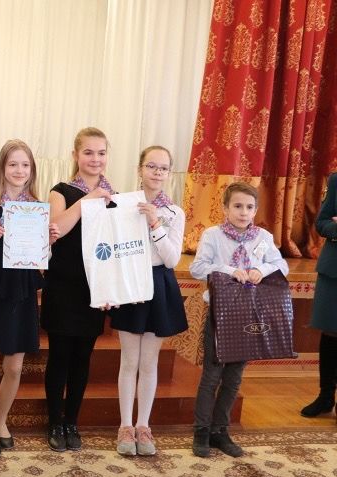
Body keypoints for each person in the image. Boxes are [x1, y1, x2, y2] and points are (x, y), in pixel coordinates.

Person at [0, 139, 59, 456]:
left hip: (22, 288)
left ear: (32, 170)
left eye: (25, 165)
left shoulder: (37, 208)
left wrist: (49, 242)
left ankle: (1, 419)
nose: (19, 170)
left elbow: (42, 258)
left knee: (15, 367)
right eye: (13, 164)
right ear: (2, 168)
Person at [190, 182, 289, 457]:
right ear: (225, 208)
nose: (243, 212)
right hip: (220, 313)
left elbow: (281, 265)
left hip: (248, 314)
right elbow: (197, 268)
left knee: (234, 377)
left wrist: (261, 269)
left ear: (255, 210)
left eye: (249, 207)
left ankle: (220, 431)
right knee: (212, 375)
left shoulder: (263, 237)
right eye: (237, 206)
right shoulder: (213, 235)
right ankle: (201, 431)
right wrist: (229, 269)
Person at [108, 146, 188, 456]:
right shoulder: (122, 205)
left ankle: (144, 425)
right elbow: (112, 250)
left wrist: (155, 223)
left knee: (149, 361)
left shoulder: (174, 213)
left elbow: (171, 259)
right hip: (131, 283)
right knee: (129, 360)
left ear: (169, 173)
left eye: (163, 168)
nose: (157, 172)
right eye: (151, 166)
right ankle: (125, 426)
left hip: (158, 284)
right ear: (140, 169)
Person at [41, 127, 114, 452]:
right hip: (62, 286)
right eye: (88, 152)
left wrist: (111, 288)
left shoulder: (114, 197)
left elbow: (115, 250)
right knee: (59, 356)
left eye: (101, 153)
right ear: (75, 155)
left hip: (93, 290)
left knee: (83, 358)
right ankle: (54, 421)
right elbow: (55, 230)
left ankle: (72, 421)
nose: (95, 159)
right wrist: (87, 200)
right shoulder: (61, 191)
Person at [300, 172, 337, 420]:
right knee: (331, 332)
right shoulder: (336, 180)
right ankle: (325, 396)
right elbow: (322, 223)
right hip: (334, 271)